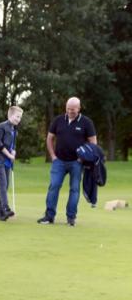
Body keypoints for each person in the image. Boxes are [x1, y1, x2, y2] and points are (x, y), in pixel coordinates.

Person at [38, 97, 97, 226]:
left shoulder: (86, 122)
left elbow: (93, 142)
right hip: (59, 161)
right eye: (68, 109)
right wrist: (53, 156)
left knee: (74, 189)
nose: (70, 111)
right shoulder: (58, 120)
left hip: (77, 162)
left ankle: (71, 218)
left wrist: (83, 158)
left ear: (79, 108)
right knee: (54, 186)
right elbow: (49, 138)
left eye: (73, 109)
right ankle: (49, 216)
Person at [0, 106, 23, 220]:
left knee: (6, 184)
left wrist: (13, 151)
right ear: (10, 115)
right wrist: (9, 154)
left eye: (20, 117)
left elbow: (13, 144)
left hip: (7, 160)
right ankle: (6, 209)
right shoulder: (1, 126)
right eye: (17, 116)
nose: (19, 119)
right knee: (3, 183)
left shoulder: (15, 129)